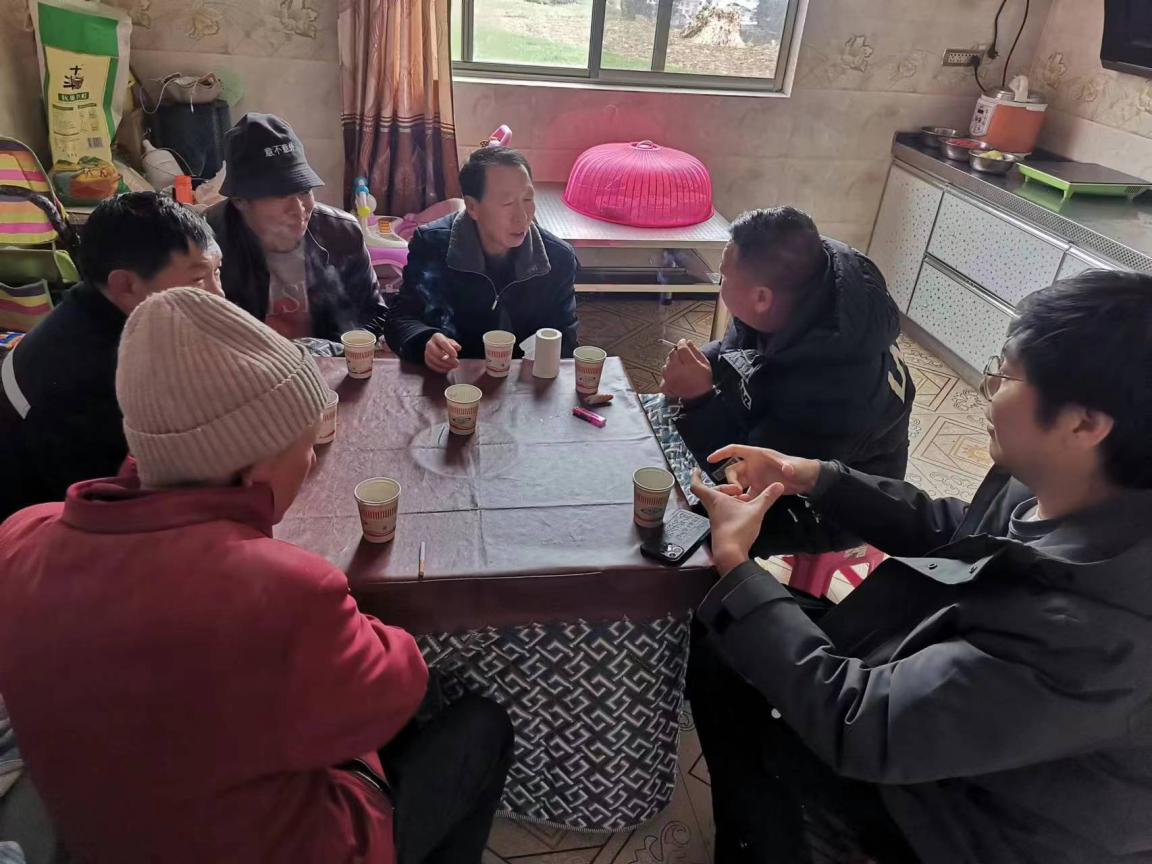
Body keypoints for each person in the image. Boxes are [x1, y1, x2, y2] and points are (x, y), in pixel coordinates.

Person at [0, 287, 513, 864]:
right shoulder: (282, 591)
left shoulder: (20, 538)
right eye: (305, 449)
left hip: (102, 836)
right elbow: (398, 687)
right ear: (251, 472)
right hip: (282, 845)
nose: (311, 461)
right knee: (481, 725)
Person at [686, 270, 1152, 864]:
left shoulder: (1095, 635)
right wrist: (814, 476)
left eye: (1005, 375)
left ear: (1084, 423)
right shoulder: (1065, 484)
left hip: (965, 821)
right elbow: (958, 532)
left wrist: (735, 563)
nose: (986, 387)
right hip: (935, 701)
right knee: (730, 640)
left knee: (747, 667)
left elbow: (860, 724)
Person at [661, 207, 913, 550]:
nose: (721, 282)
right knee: (653, 433)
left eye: (724, 276)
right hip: (786, 438)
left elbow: (750, 476)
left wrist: (698, 399)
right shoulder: (805, 284)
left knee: (683, 530)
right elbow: (740, 348)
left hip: (830, 505)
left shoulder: (833, 392)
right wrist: (699, 362)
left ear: (761, 297)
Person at [0, 192, 221, 520]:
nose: (218, 294)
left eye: (218, 271)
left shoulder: (93, 308)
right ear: (125, 285)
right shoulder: (98, 374)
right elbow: (119, 508)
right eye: (199, 278)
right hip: (43, 527)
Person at [384, 147, 578, 372]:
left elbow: (566, 339)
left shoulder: (556, 258)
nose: (522, 216)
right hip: (451, 377)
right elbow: (401, 317)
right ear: (473, 207)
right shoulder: (433, 244)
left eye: (527, 199)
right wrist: (424, 340)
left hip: (520, 380)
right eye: (507, 203)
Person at [207, 113, 386, 342]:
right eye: (281, 194)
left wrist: (326, 350)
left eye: (304, 190)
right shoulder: (208, 240)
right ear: (240, 200)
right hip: (245, 362)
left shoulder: (341, 233)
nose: (299, 209)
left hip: (327, 360)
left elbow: (375, 316)